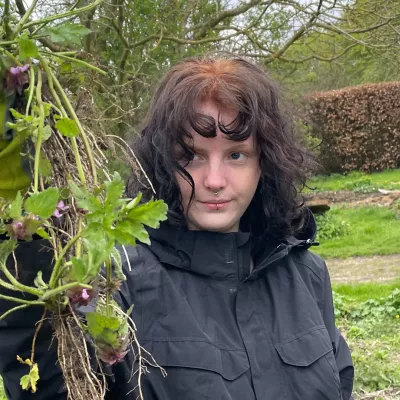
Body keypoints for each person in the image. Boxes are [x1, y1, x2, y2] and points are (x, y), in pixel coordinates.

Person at [0, 54, 354, 399]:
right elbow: (55, 383)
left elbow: (339, 383)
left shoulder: (306, 273)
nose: (214, 181)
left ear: (266, 162)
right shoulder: (116, 279)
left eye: (236, 155)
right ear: (163, 162)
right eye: (191, 155)